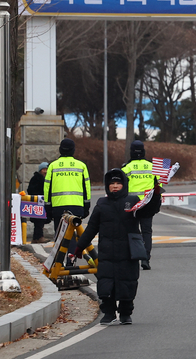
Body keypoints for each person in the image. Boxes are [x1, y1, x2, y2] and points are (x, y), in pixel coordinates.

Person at [74, 169, 161, 325]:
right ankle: (109, 312)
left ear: (124, 185)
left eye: (118, 183)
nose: (115, 186)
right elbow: (92, 227)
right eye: (112, 184)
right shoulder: (102, 203)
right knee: (105, 284)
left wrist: (156, 195)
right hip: (107, 253)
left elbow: (149, 211)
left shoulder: (133, 201)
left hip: (128, 253)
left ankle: (126, 313)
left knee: (127, 283)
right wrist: (80, 247)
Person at [44, 138, 91, 261]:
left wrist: (47, 206)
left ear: (60, 150)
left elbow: (47, 188)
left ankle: (59, 262)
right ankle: (72, 258)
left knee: (60, 235)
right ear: (73, 150)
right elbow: (86, 188)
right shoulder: (81, 166)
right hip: (77, 205)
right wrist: (86, 205)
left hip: (58, 206)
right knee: (74, 234)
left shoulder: (52, 166)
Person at [121, 140, 157, 270]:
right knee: (146, 231)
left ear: (131, 152)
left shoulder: (126, 168)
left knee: (131, 231)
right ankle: (145, 258)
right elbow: (159, 185)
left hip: (132, 203)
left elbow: (121, 187)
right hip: (147, 203)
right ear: (143, 151)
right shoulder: (152, 166)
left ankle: (132, 257)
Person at [27, 162, 50, 243]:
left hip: (43, 203)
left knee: (40, 221)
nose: (46, 171)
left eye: (47, 169)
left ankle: (36, 237)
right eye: (44, 169)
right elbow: (30, 190)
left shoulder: (48, 179)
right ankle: (39, 237)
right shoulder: (36, 178)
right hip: (37, 203)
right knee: (39, 221)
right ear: (40, 170)